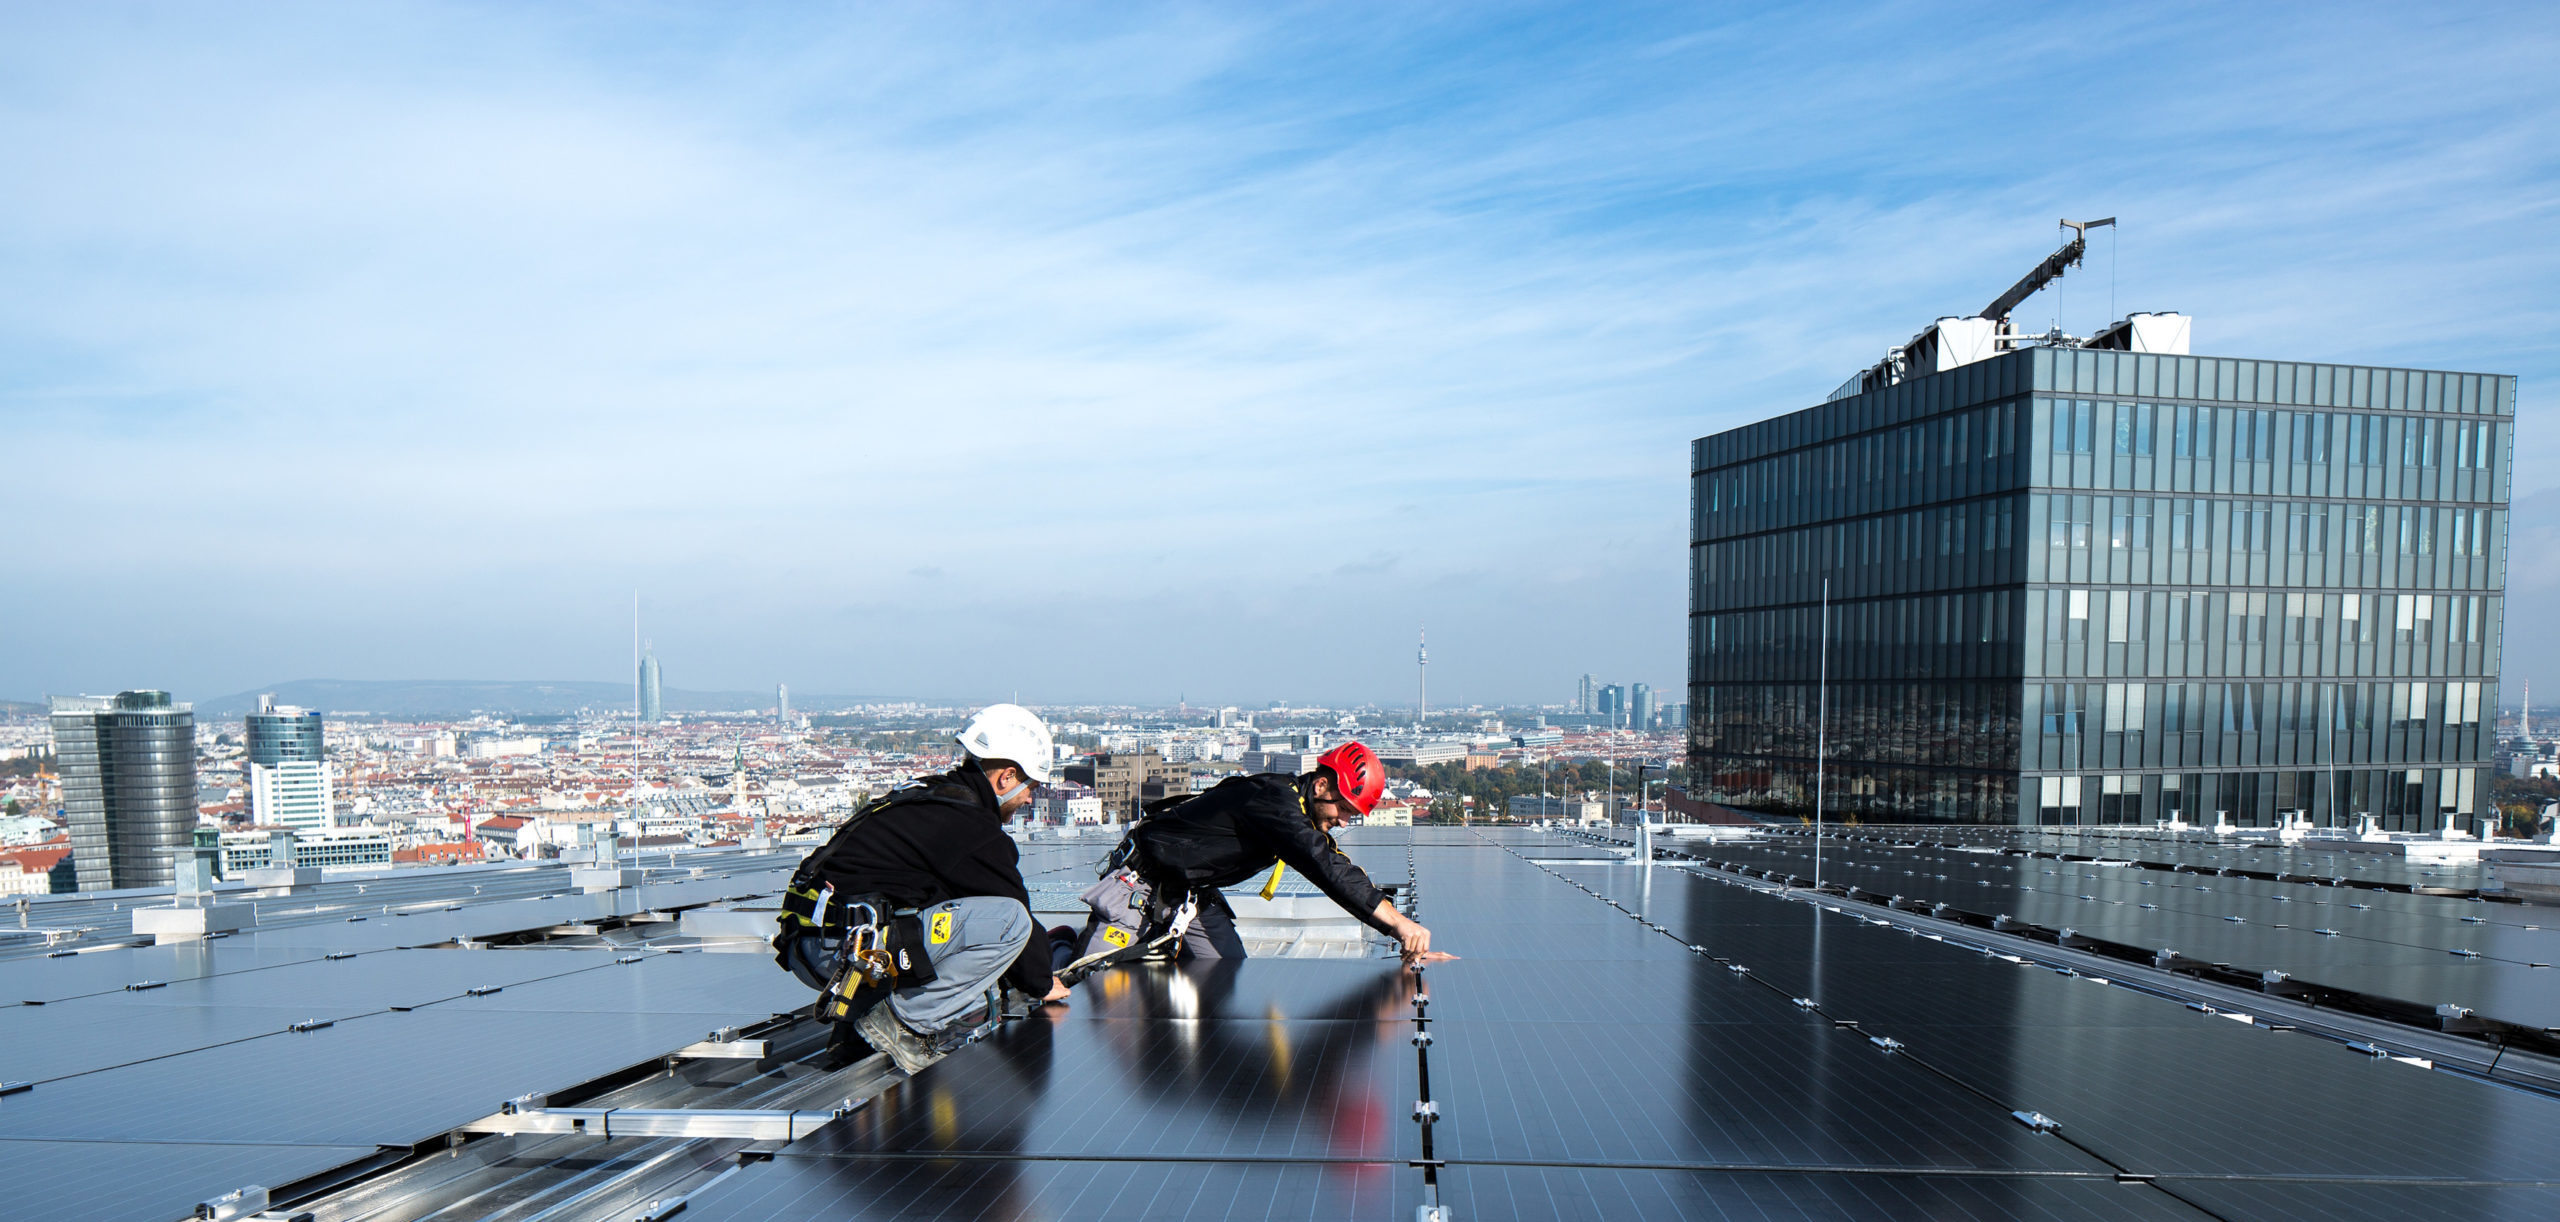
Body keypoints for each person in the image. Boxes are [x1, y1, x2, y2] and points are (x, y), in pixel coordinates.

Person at [776, 703, 1071, 1075]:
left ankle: (856, 1029)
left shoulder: (932, 796)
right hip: (843, 951)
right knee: (1009, 922)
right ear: (1007, 777)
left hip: (817, 943)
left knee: (964, 968)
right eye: (1031, 786)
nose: (1030, 798)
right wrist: (1043, 982)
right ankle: (901, 1028)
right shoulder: (970, 826)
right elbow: (1015, 914)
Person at [1063, 741, 1444, 967]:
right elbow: (1326, 869)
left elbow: (1338, 865)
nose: (1344, 821)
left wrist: (1397, 927)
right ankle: (1060, 948)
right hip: (1139, 888)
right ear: (1321, 785)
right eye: (1343, 809)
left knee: (1228, 972)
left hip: (1189, 895)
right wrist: (1399, 925)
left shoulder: (1296, 812)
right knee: (1090, 980)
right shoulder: (1277, 803)